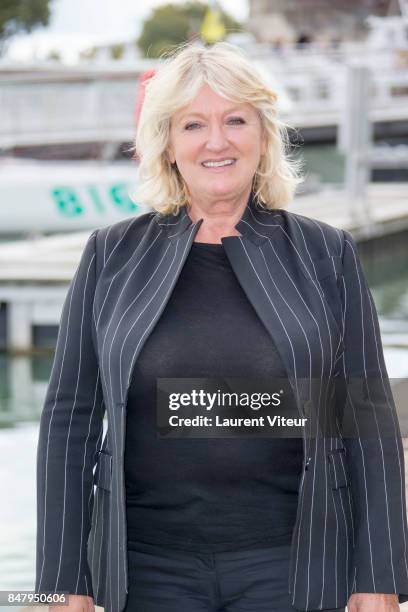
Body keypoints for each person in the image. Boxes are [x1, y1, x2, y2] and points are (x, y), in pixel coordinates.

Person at [35, 42, 408, 612]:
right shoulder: (110, 254)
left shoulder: (326, 253)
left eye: (236, 120)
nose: (216, 141)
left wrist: (378, 576)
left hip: (294, 565)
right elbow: (69, 423)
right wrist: (61, 585)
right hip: (145, 569)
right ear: (166, 143)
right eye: (193, 124)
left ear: (263, 138)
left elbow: (368, 420)